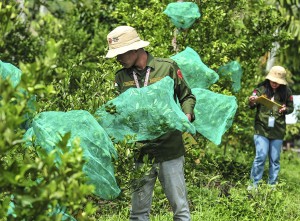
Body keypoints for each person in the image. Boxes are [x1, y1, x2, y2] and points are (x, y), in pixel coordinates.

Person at [106, 26, 196, 221]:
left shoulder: (167, 67)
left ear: (135, 49)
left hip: (169, 148)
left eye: (120, 53)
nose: (118, 59)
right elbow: (116, 112)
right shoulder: (120, 77)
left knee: (180, 210)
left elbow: (186, 96)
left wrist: (186, 115)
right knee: (138, 213)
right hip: (141, 151)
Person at [248, 66, 293, 188]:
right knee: (260, 156)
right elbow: (252, 104)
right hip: (261, 128)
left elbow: (291, 107)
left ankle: (271, 187)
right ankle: (253, 186)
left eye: (277, 82)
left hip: (277, 130)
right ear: (269, 79)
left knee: (275, 160)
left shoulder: (287, 91)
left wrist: (285, 109)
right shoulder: (261, 88)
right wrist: (252, 101)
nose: (275, 84)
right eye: (273, 81)